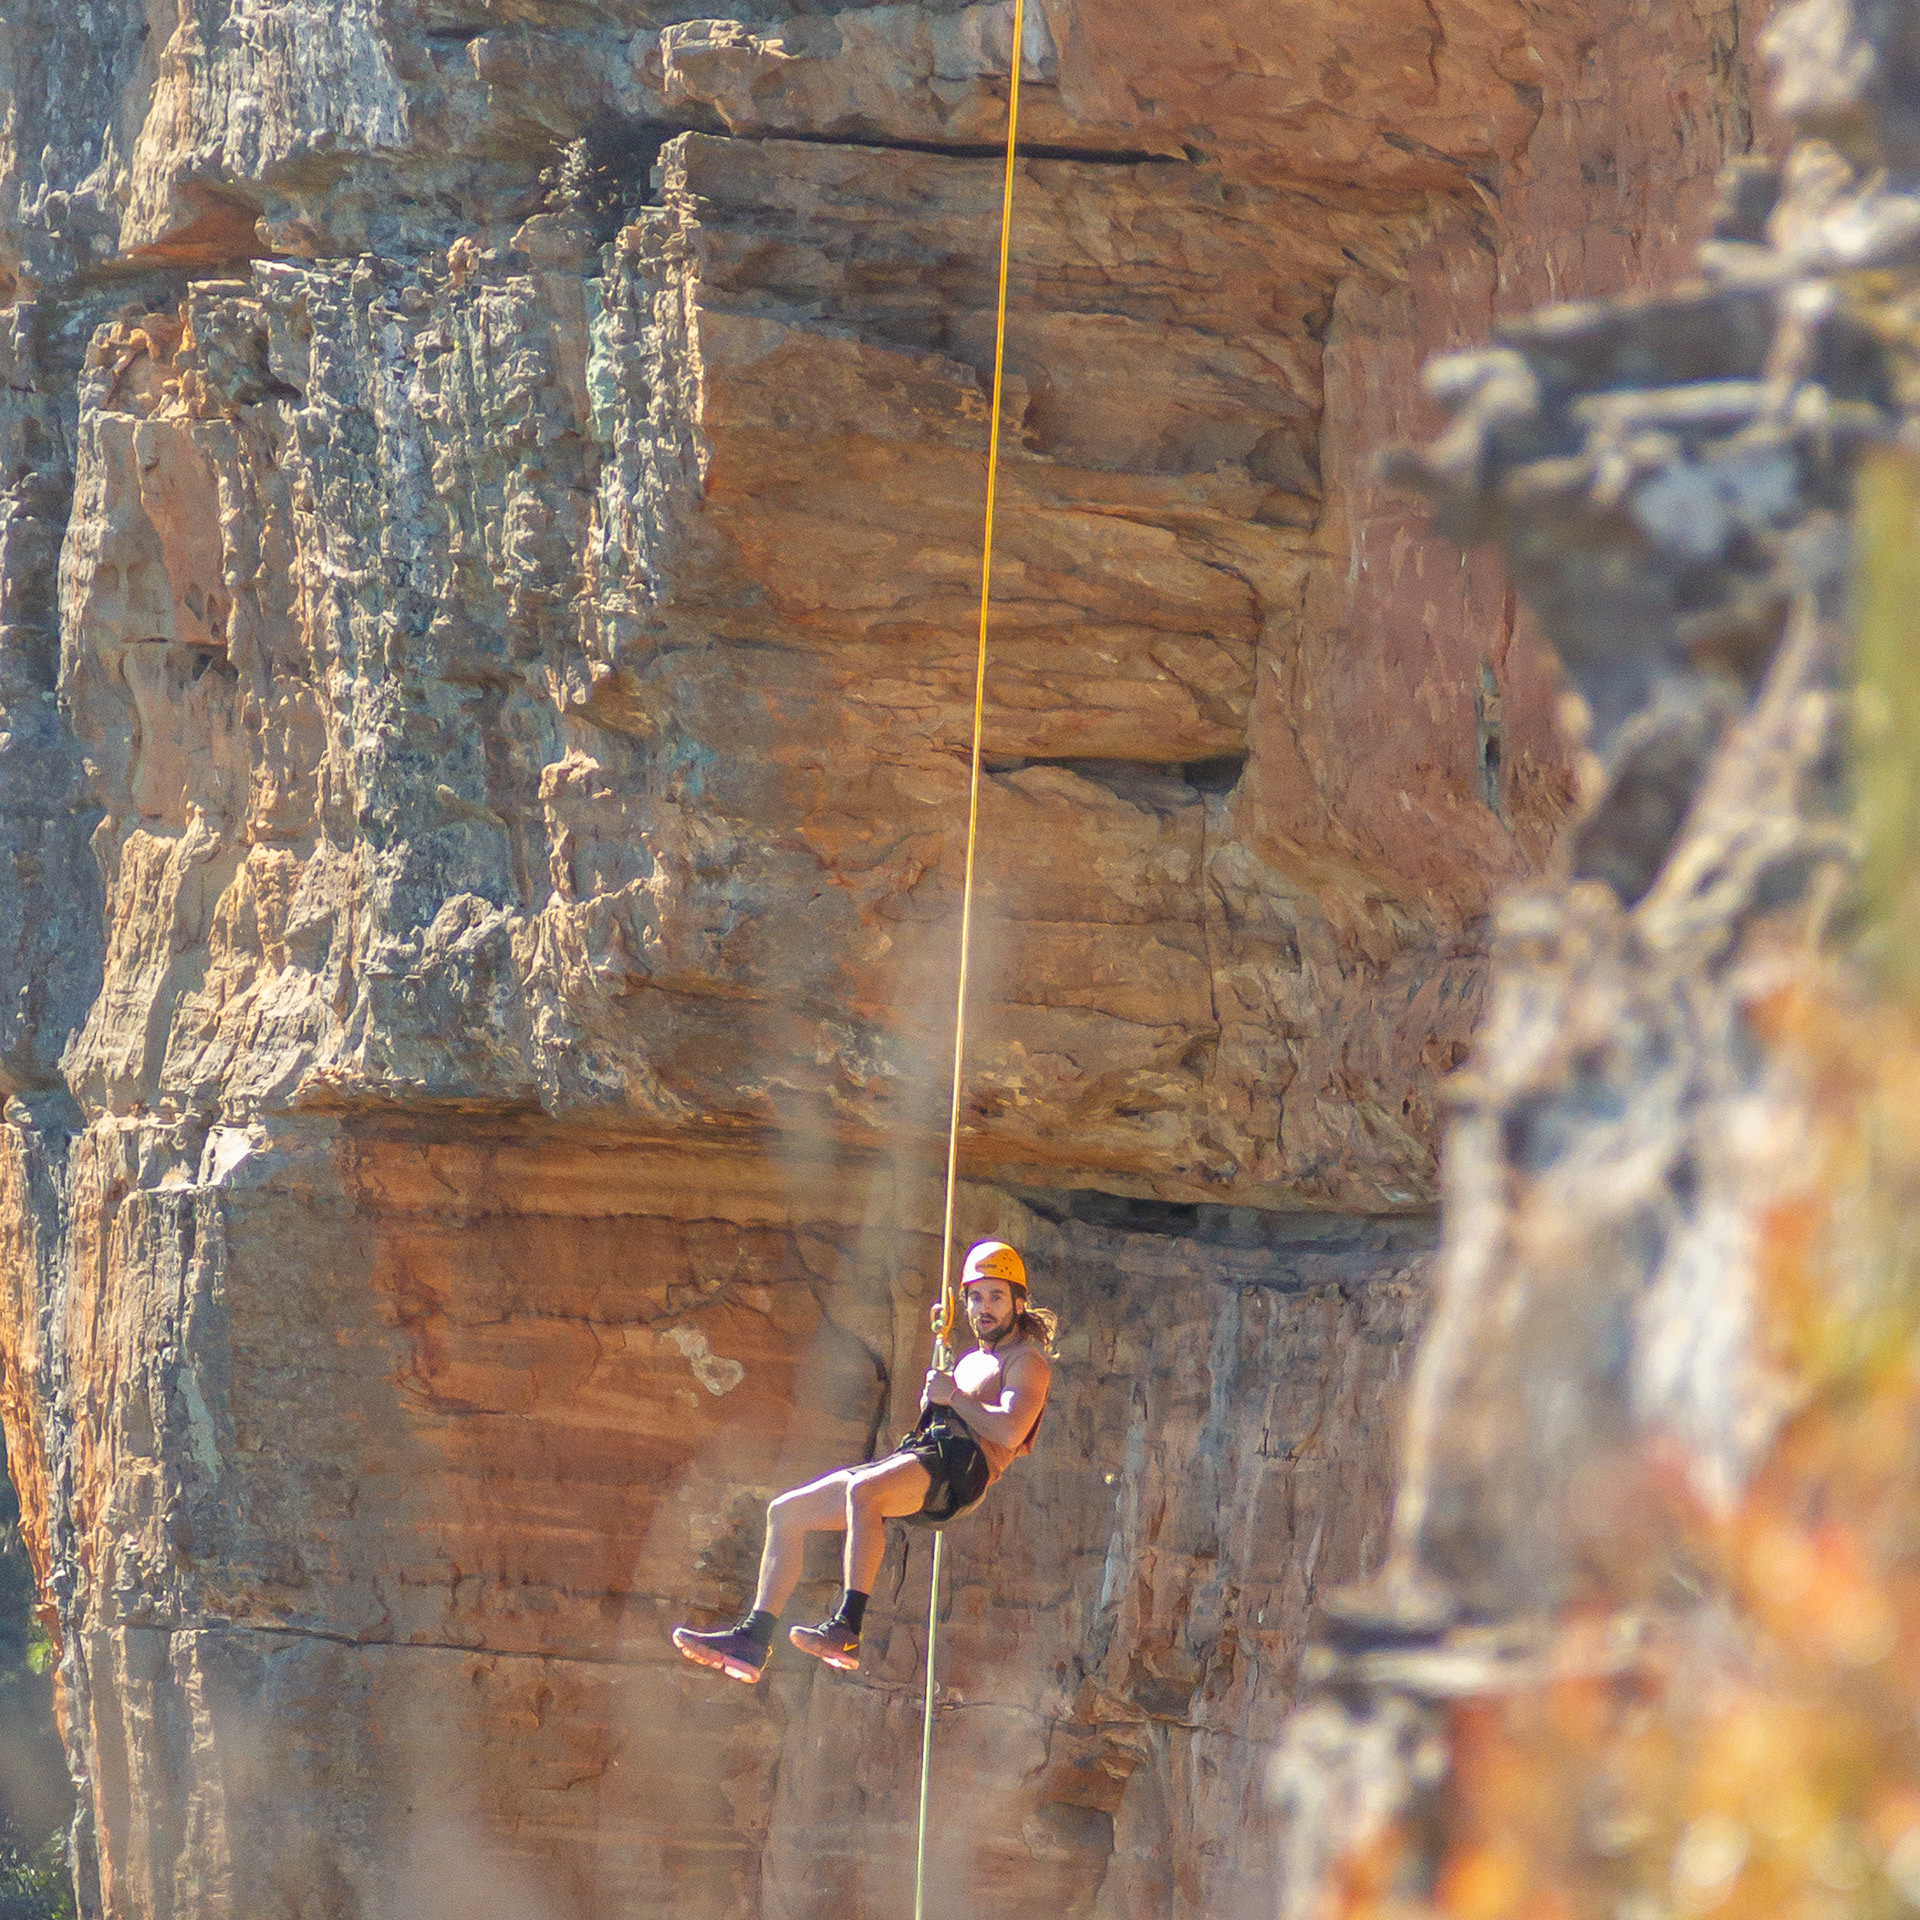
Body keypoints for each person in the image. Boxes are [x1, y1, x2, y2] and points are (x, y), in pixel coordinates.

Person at [672, 1239, 1056, 1683]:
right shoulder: (971, 1359)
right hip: (926, 1455)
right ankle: (753, 1640)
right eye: (975, 1296)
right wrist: (943, 1394)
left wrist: (950, 1395)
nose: (983, 1308)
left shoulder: (1027, 1361)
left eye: (995, 1296)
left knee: (864, 1490)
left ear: (1019, 1303)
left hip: (960, 1472)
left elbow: (1010, 1429)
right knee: (786, 1513)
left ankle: (847, 1627)